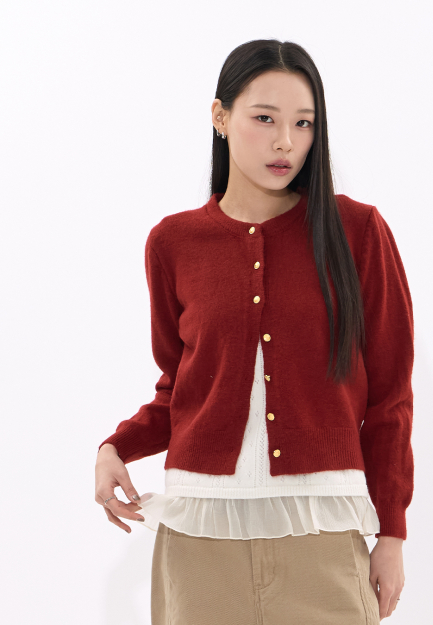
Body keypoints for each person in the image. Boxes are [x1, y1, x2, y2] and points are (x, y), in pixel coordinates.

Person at [95, 38, 414, 624]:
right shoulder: (173, 243)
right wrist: (116, 446)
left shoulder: (358, 232)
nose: (285, 141)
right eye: (264, 118)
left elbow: (390, 397)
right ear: (220, 117)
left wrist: (391, 533)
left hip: (322, 534)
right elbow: (181, 386)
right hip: (199, 538)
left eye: (303, 123)